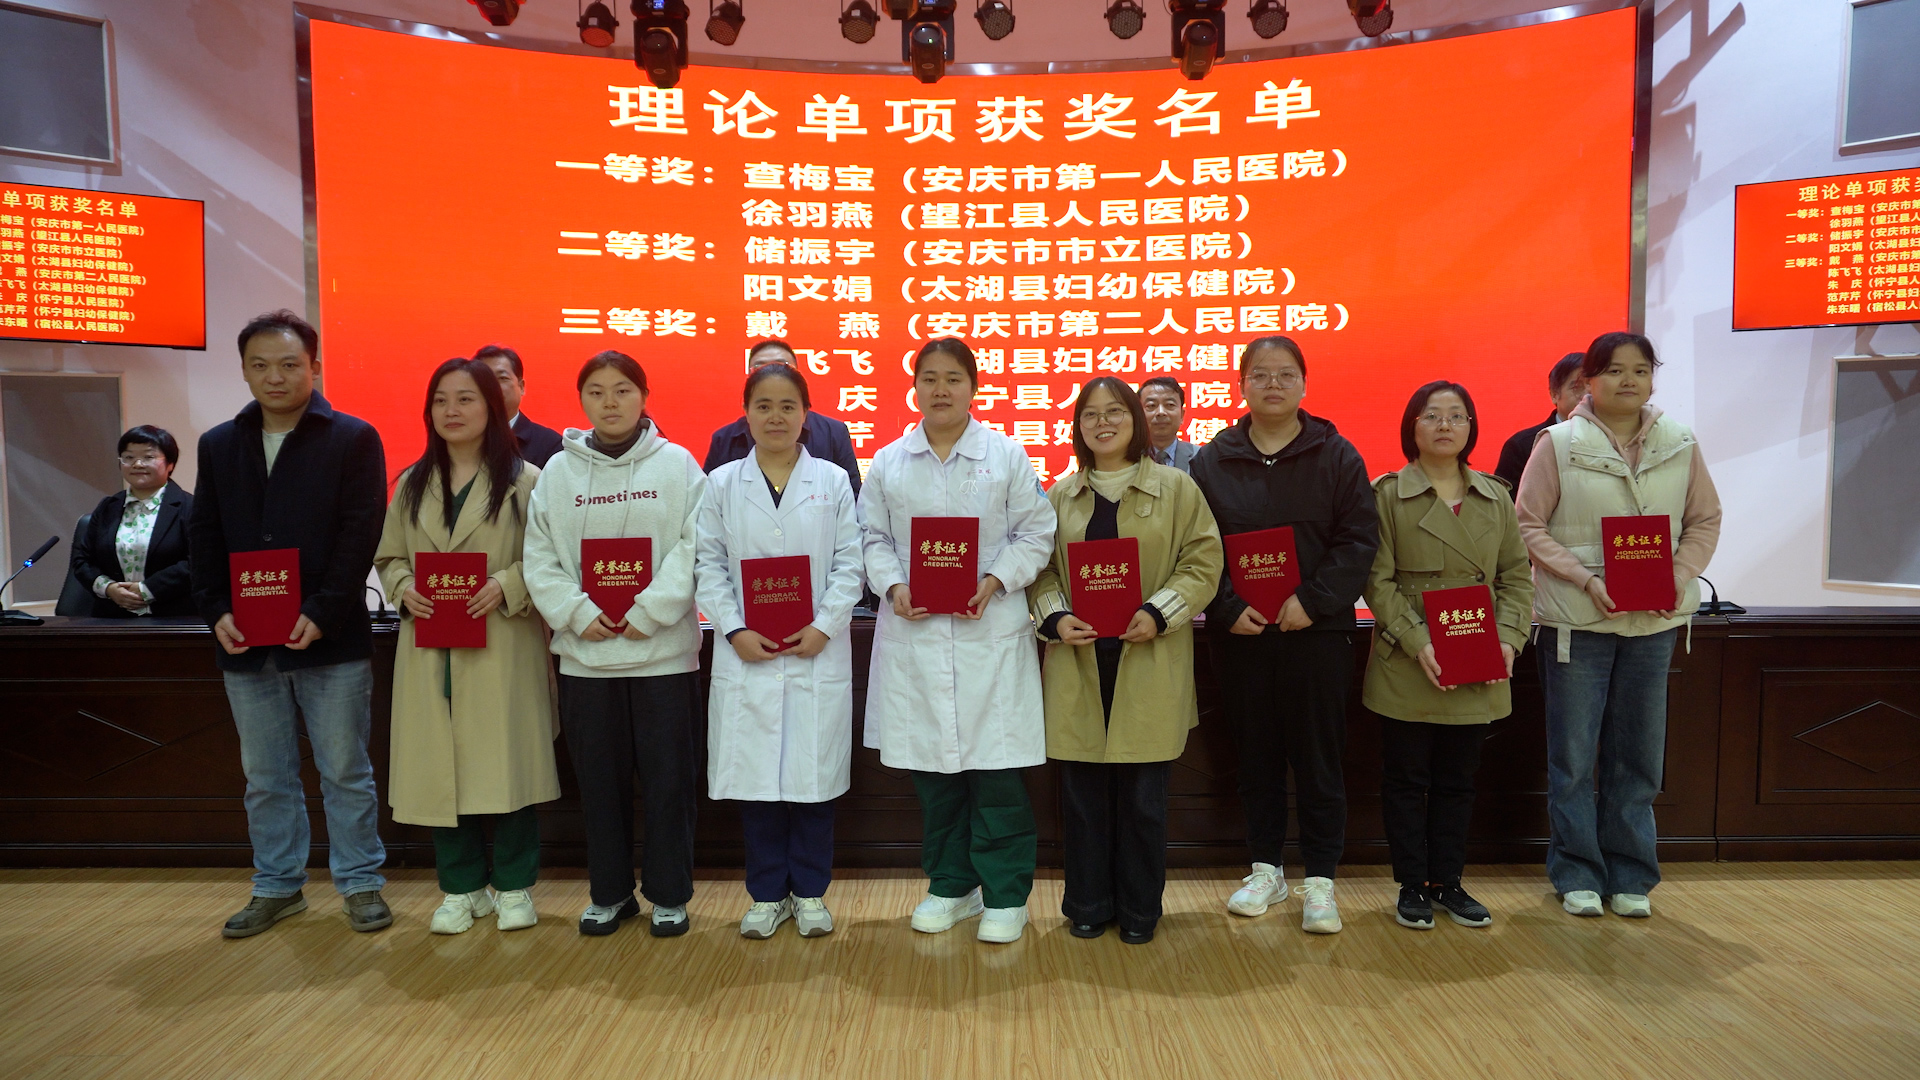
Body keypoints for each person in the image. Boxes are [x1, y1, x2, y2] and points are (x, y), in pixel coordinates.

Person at [188, 310, 391, 938]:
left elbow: (361, 533)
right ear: (244, 371)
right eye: (260, 365)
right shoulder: (219, 443)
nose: (274, 377)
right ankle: (277, 886)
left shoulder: (353, 437)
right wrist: (215, 609)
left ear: (314, 367)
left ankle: (360, 883)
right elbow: (204, 533)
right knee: (265, 776)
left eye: (288, 364)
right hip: (245, 641)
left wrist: (322, 610)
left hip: (331, 640)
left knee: (345, 771)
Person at [1516, 331, 1720, 920]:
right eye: (1614, 370)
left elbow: (1704, 520)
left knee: (1639, 756)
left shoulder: (1681, 442)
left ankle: (1631, 874)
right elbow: (1528, 525)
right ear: (1589, 380)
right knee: (1574, 757)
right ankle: (1577, 871)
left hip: (1653, 624)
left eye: (1641, 369)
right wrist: (1585, 579)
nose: (1629, 380)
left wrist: (1677, 576)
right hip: (1577, 620)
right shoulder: (1558, 443)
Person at [859, 337, 1057, 944]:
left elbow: (1036, 533)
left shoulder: (1006, 455)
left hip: (989, 631)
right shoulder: (889, 462)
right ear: (914, 388)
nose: (940, 389)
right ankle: (951, 885)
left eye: (953, 378)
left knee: (996, 772)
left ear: (974, 387)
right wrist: (893, 585)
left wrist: (996, 579)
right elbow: (871, 538)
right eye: (929, 378)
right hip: (916, 634)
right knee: (935, 773)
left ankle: (1005, 894)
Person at [1188, 334, 1378, 935]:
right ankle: (1265, 869)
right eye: (1261, 374)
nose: (1273, 384)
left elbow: (1358, 541)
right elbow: (1197, 546)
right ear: (1241, 384)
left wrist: (1313, 601)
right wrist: (1226, 606)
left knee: (1319, 759)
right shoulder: (1212, 461)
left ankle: (1320, 879)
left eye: (1285, 374)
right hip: (1242, 637)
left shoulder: (1337, 455)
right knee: (1256, 758)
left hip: (1316, 635)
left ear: (1303, 383)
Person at [1030, 377, 1222, 944]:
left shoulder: (1177, 488)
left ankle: (1140, 911)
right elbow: (1041, 571)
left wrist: (1160, 612)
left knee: (1143, 800)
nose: (1103, 423)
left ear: (1135, 420)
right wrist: (1056, 617)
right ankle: (1088, 903)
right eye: (1090, 415)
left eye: (1115, 411)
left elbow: (1203, 562)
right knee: (1084, 797)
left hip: (1148, 654)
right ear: (1078, 427)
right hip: (1081, 659)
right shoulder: (1059, 496)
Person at [524, 350, 707, 938]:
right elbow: (539, 557)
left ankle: (670, 895)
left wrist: (647, 612)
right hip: (588, 660)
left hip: (663, 658)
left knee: (669, 783)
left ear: (644, 396)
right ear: (581, 400)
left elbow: (695, 546)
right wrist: (578, 614)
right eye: (597, 391)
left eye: (623, 389)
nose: (610, 402)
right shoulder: (558, 472)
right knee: (599, 788)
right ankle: (609, 894)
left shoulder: (678, 465)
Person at [375, 358, 560, 935]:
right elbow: (389, 556)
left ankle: (514, 886)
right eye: (440, 400)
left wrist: (506, 584)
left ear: (492, 407)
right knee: (440, 766)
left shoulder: (527, 481)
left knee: (509, 764)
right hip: (431, 646)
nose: (451, 411)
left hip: (502, 642)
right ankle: (461, 888)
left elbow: (552, 560)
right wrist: (403, 586)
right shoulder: (411, 482)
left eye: (465, 399)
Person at [694, 363, 863, 940]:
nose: (775, 417)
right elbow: (707, 564)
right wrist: (733, 628)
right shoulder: (720, 484)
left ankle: (811, 894)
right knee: (758, 783)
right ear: (746, 414)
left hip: (815, 650)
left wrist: (825, 625)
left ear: (806, 415)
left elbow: (850, 562)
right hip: (749, 653)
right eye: (763, 405)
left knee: (813, 782)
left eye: (788, 406)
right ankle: (767, 895)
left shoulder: (832, 481)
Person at [1362, 381, 1533, 932]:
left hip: (1477, 655)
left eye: (1457, 416)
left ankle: (1449, 882)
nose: (1444, 425)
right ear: (1412, 426)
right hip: (1408, 659)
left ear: (1470, 428)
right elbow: (1377, 581)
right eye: (1432, 415)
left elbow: (1516, 577)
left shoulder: (1496, 496)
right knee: (1406, 778)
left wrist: (1508, 638)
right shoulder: (1387, 494)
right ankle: (1412, 884)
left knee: (1459, 780)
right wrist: (1419, 642)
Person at [703, 339, 863, 495]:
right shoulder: (724, 439)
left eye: (782, 366)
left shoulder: (833, 433)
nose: (776, 419)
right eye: (760, 368)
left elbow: (853, 496)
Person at [73, 425, 195, 618]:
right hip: (111, 616)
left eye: (148, 457)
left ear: (170, 464)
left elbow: (199, 561)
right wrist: (109, 588)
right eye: (128, 457)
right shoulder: (108, 507)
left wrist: (147, 589)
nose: (137, 464)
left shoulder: (191, 507)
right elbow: (82, 561)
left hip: (174, 616)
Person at [1493, 352, 1587, 491]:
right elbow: (1507, 502)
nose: (1586, 396)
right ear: (1554, 394)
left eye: (1592, 387)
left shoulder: (1615, 439)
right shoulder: (1521, 446)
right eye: (1577, 388)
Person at [476, 344, 565, 467]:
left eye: (502, 378)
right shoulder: (459, 438)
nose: (493, 386)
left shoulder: (550, 444)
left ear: (521, 387)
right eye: (485, 379)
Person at [1139, 376, 1200, 472]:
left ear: (1182, 415)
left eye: (1170, 405)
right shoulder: (1124, 458)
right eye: (1151, 405)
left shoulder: (1201, 457)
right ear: (1138, 414)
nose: (1161, 412)